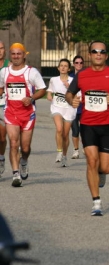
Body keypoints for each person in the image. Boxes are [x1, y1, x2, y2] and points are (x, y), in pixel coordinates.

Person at [65, 41, 109, 216]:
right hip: (88, 124)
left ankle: (102, 174)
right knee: (91, 161)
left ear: (106, 55)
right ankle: (96, 201)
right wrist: (70, 100)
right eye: (95, 51)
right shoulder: (82, 75)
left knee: (106, 167)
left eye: (102, 51)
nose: (98, 54)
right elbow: (69, 93)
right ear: (89, 55)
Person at [0, 43, 47, 187]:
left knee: (25, 148)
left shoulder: (31, 72)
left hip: (27, 114)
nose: (15, 56)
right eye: (13, 54)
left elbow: (42, 89)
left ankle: (24, 161)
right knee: (14, 143)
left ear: (24, 55)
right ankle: (15, 174)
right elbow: (1, 87)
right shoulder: (4, 72)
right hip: (10, 112)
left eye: (18, 54)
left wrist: (32, 98)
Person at [46, 59, 76, 167]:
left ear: (69, 69)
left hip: (69, 109)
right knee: (59, 128)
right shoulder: (53, 79)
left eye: (65, 66)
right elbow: (50, 90)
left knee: (65, 134)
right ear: (58, 68)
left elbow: (78, 95)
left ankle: (64, 155)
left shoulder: (73, 80)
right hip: (57, 107)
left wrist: (69, 88)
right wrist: (49, 94)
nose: (63, 67)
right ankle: (59, 152)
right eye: (61, 66)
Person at [70, 55, 84, 159]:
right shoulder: (70, 77)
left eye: (81, 63)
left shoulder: (86, 76)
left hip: (84, 107)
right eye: (77, 63)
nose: (79, 64)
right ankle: (76, 150)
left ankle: (85, 147)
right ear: (74, 64)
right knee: (75, 130)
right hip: (73, 108)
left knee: (85, 130)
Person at [0, 41, 11, 177]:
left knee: (2, 138)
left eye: (1, 48)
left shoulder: (10, 65)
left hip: (6, 105)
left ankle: (1, 158)